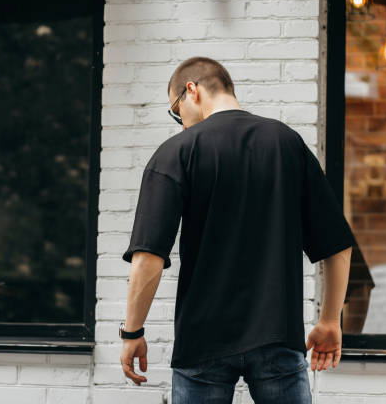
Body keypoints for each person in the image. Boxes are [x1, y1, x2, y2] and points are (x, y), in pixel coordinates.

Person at [120, 56, 354, 403]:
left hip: (202, 341)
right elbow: (336, 243)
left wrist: (132, 331)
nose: (180, 123)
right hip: (278, 335)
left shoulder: (176, 153)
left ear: (192, 91)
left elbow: (148, 257)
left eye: (175, 111)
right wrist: (330, 320)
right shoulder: (287, 143)